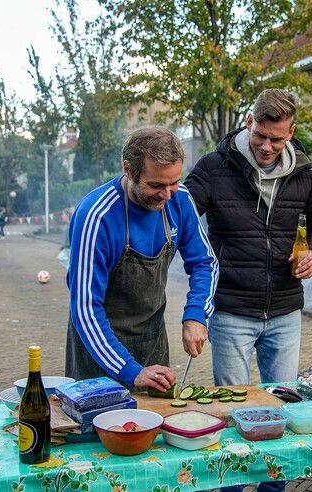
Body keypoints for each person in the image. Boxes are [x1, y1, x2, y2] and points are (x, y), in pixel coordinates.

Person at [185, 88, 312, 385]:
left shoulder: (306, 173)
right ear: (250, 121)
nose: (266, 146)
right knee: (234, 408)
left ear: (291, 132)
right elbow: (178, 218)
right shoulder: (214, 167)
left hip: (286, 312)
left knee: (282, 402)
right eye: (260, 135)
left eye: (276, 139)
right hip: (230, 311)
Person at [65, 126, 218, 392]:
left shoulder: (180, 200)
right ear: (128, 169)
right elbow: (85, 309)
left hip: (152, 338)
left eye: (174, 182)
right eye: (156, 185)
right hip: (100, 346)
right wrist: (129, 370)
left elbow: (205, 263)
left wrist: (196, 315)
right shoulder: (96, 216)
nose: (167, 194)